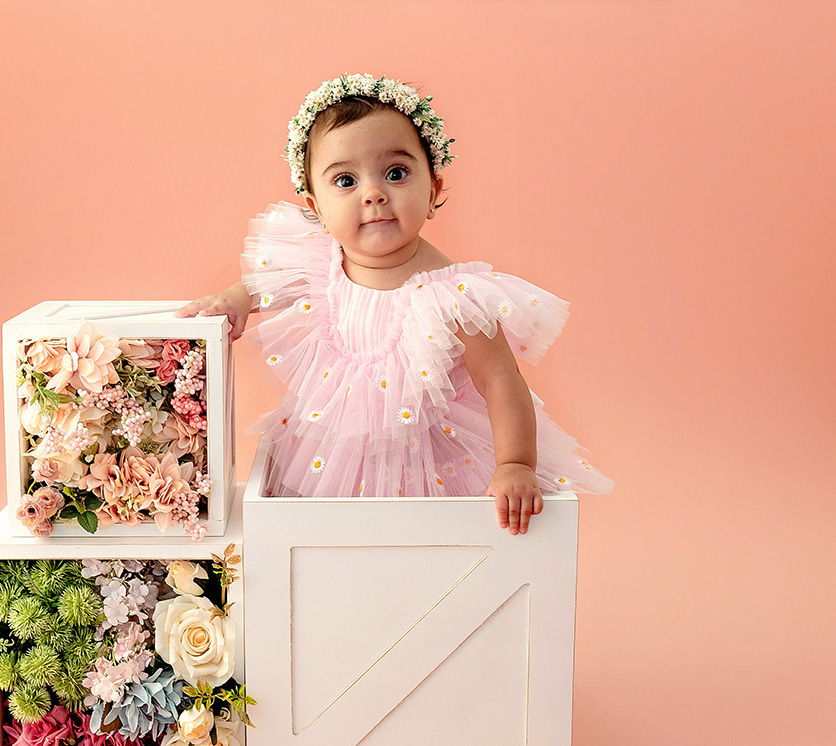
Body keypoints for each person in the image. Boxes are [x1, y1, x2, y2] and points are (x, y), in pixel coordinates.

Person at [177, 74, 611, 534]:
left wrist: (516, 464)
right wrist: (234, 299)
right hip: (332, 459)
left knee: (428, 552)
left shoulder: (453, 297)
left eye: (396, 173)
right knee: (328, 545)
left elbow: (502, 380)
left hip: (430, 466)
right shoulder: (316, 263)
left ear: (433, 190)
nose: (374, 193)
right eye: (345, 180)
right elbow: (268, 284)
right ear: (316, 207)